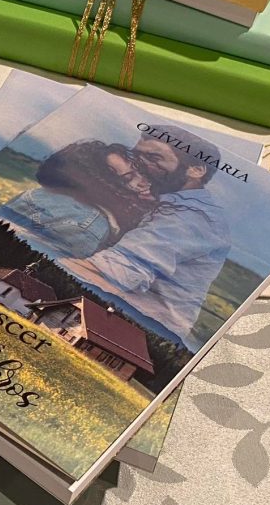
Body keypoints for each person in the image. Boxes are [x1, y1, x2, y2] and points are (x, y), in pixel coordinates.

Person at [61, 125, 231, 350]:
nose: (141, 164)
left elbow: (119, 271)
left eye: (153, 158)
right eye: (137, 155)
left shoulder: (193, 219)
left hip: (139, 332)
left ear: (196, 170)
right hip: (115, 313)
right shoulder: (171, 202)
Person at [0, 141, 157, 258]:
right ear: (100, 184)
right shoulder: (89, 226)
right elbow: (37, 267)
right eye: (128, 178)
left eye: (140, 171)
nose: (144, 182)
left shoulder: (38, 194)